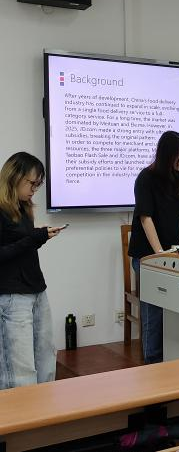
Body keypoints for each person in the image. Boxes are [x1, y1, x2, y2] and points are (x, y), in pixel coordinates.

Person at [128, 131, 179, 364]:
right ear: (167, 154)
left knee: (177, 309)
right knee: (153, 313)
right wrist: (159, 254)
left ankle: (174, 359)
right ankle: (152, 363)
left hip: (173, 255)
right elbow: (146, 218)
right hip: (148, 257)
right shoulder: (145, 178)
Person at [0, 152, 62, 389]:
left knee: (46, 358)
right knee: (21, 370)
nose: (34, 190)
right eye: (32, 183)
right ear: (14, 177)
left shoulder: (23, 206)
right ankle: (22, 412)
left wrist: (40, 236)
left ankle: (44, 408)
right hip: (12, 296)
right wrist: (34, 238)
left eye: (38, 184)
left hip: (36, 290)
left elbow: (21, 246)